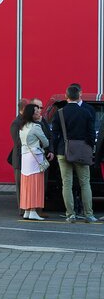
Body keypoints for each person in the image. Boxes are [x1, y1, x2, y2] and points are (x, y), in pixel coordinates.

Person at [51, 84, 97, 223]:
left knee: (67, 183)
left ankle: (70, 214)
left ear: (66, 97)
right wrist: (88, 147)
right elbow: (90, 134)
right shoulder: (86, 112)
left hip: (63, 151)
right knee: (85, 183)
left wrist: (55, 149)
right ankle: (88, 214)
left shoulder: (59, 113)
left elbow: (55, 133)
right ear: (79, 96)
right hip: (81, 151)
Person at [18, 101, 51, 220]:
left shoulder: (22, 126)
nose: (39, 113)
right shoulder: (36, 126)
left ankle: (27, 209)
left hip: (25, 157)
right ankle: (33, 210)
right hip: (35, 157)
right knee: (35, 183)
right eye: (36, 112)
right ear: (32, 114)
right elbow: (46, 142)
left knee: (27, 183)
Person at [9, 97, 29, 215]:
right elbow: (18, 141)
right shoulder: (16, 123)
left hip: (26, 158)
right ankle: (21, 209)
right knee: (20, 185)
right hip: (20, 159)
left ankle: (26, 207)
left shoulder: (26, 121)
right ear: (23, 109)